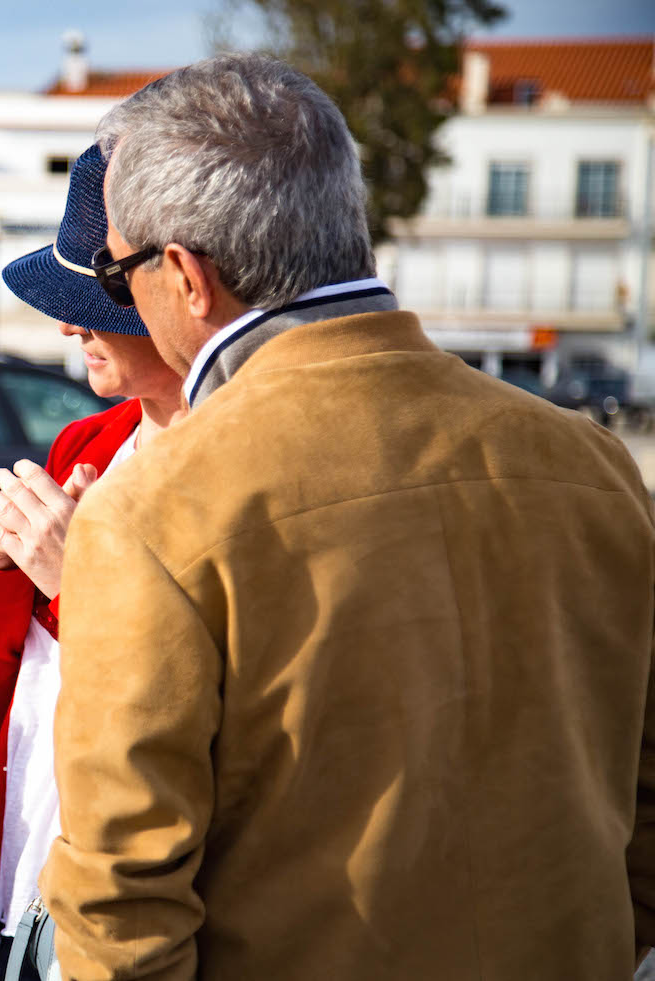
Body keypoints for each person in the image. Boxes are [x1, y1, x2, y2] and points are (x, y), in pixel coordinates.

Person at [43, 54, 655, 980]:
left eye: (117, 271)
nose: (118, 298)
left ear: (185, 274)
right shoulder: (594, 464)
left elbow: (120, 908)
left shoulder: (153, 511)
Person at [0, 144, 183, 981]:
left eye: (89, 301)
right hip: (32, 862)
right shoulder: (87, 441)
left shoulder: (237, 460)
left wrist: (70, 576)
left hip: (134, 901)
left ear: (183, 287)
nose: (67, 324)